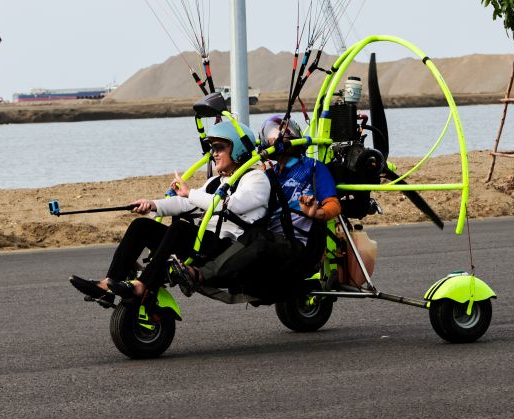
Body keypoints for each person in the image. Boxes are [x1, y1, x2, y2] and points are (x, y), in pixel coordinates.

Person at [69, 119, 270, 305]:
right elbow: (186, 203)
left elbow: (232, 205)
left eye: (219, 148)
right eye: (212, 148)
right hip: (205, 242)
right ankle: (109, 284)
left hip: (228, 250)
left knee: (180, 229)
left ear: (239, 150)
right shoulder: (217, 182)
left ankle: (141, 286)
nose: (214, 153)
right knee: (142, 226)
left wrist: (189, 192)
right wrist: (152, 205)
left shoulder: (256, 179)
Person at [171, 115, 339, 292]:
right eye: (269, 136)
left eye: (276, 135)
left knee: (257, 239)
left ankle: (200, 275)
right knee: (250, 235)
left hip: (296, 244)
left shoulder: (313, 168)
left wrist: (316, 213)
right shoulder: (269, 174)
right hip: (268, 237)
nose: (271, 140)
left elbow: (334, 205)